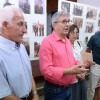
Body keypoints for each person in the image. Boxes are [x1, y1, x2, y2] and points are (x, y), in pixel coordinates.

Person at [39, 11, 94, 100]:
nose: (68, 24)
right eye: (64, 21)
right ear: (54, 25)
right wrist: (69, 71)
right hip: (55, 90)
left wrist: (81, 63)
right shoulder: (47, 42)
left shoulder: (67, 41)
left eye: (68, 21)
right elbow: (46, 70)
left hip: (69, 87)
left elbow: (70, 60)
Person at [0, 6, 39, 100]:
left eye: (24, 25)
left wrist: (35, 93)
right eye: (20, 24)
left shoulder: (21, 47)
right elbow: (4, 95)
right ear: (5, 25)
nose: (25, 30)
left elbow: (29, 73)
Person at [67, 24, 87, 100]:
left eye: (77, 32)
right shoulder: (65, 45)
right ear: (68, 33)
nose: (75, 35)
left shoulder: (79, 44)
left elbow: (83, 59)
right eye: (73, 32)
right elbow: (67, 63)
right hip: (73, 77)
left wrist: (84, 72)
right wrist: (76, 74)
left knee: (82, 96)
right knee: (74, 96)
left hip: (82, 75)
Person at [86, 31, 100, 100]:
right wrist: (88, 64)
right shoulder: (94, 38)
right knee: (91, 88)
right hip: (96, 66)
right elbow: (88, 51)